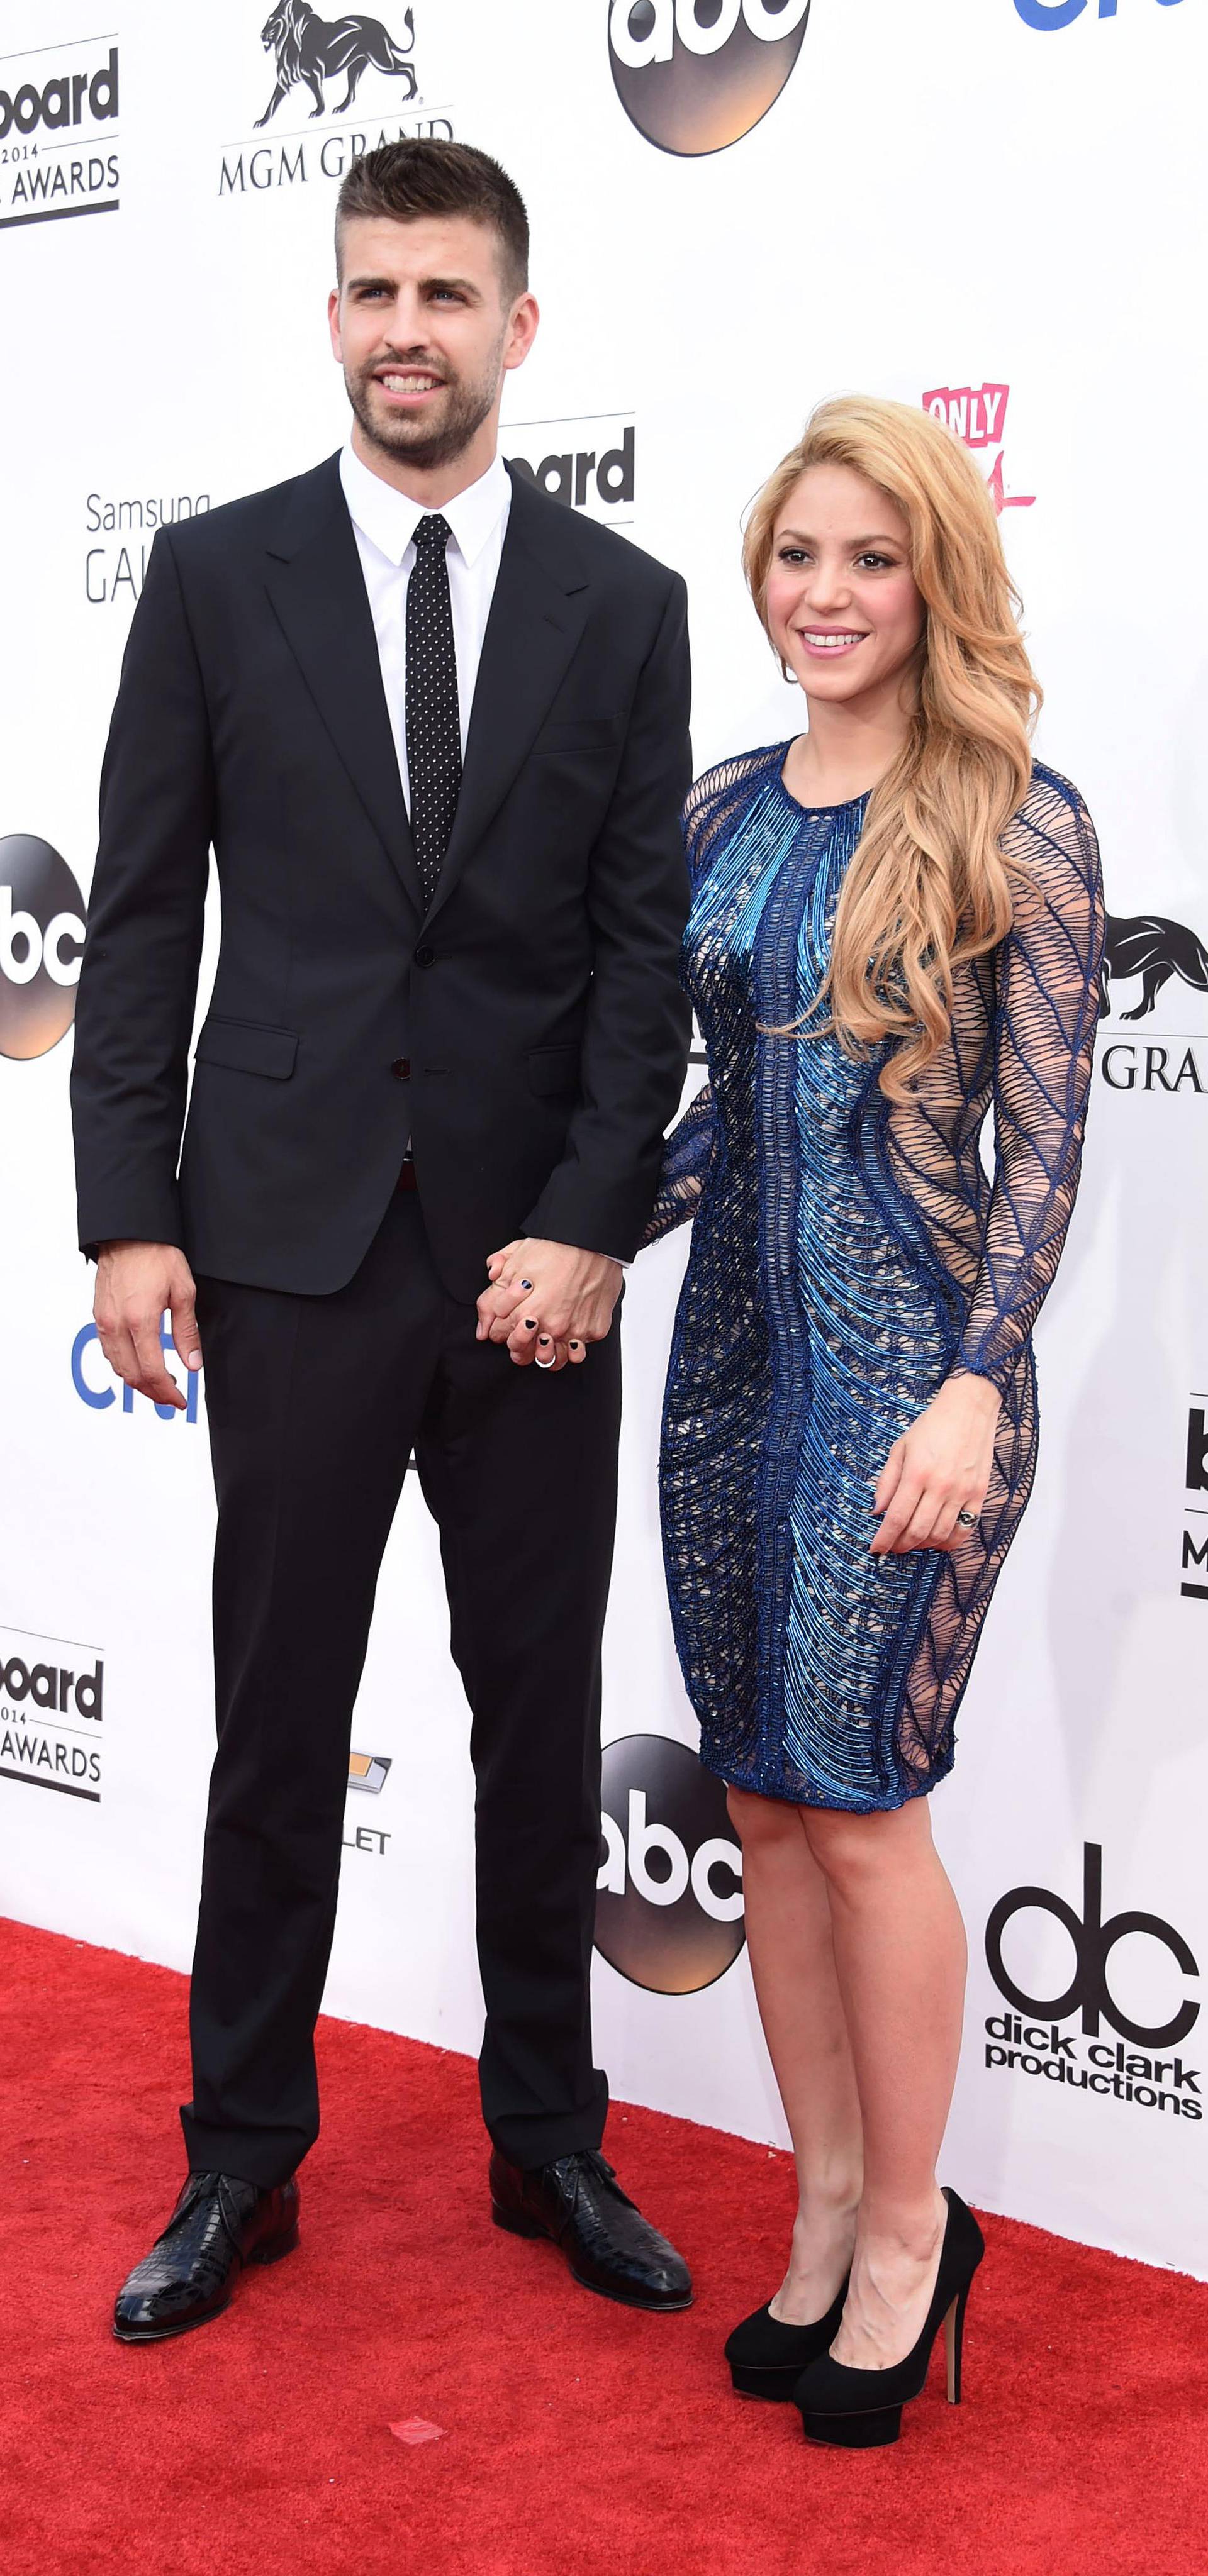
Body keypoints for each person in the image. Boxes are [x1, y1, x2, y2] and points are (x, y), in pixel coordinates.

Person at [71, 138, 695, 2343]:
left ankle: (550, 2143)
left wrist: (593, 1223)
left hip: (534, 1274)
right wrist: (128, 1218)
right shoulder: (216, 580)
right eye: (372, 293)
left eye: (448, 294)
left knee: (540, 1720)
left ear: (521, 327)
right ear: (332, 318)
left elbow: (645, 964)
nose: (407, 331)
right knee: (276, 1719)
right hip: (289, 1251)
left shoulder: (625, 606)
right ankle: (241, 2160)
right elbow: (139, 919)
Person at [639, 396, 1104, 2446]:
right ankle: (821, 2204)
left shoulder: (1015, 815)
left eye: (870, 558)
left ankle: (916, 2231)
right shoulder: (720, 808)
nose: (824, 594)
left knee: (863, 1804)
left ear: (936, 580)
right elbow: (707, 1120)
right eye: (796, 555)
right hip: (726, 1370)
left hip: (912, 1380)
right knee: (756, 1803)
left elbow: (1047, 1148)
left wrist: (979, 1385)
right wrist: (566, 1240)